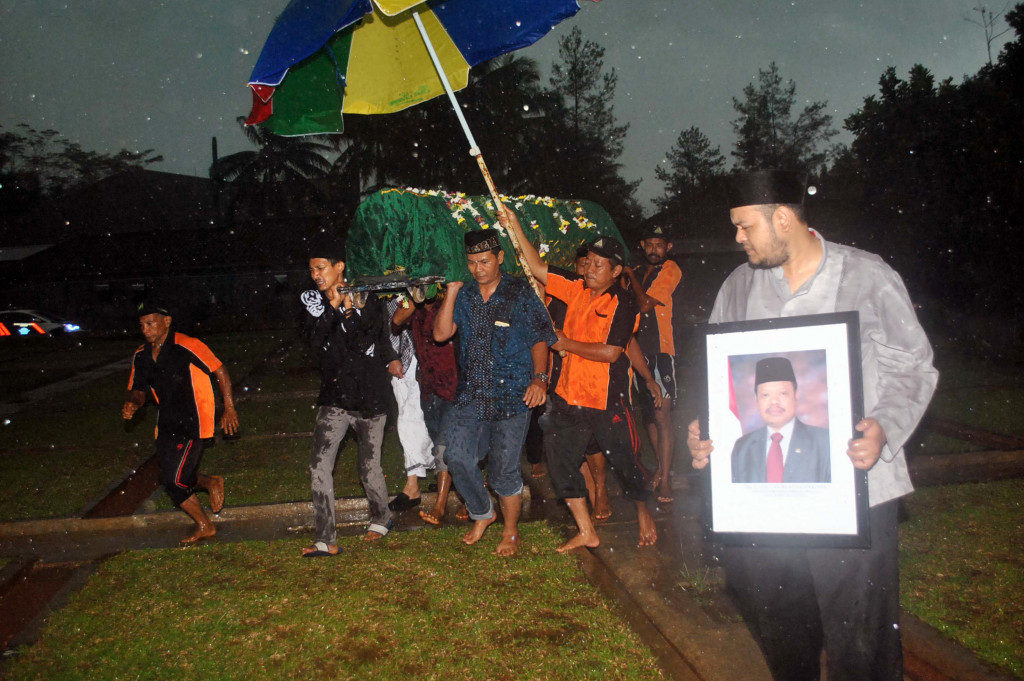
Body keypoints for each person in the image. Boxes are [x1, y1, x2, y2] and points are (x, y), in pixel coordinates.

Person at [686, 169, 938, 681]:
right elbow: (722, 375)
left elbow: (912, 364)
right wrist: (706, 431)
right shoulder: (738, 287)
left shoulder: (867, 275)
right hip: (766, 503)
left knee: (861, 640)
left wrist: (885, 427)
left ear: (782, 219)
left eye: (744, 227)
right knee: (782, 630)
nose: (737, 239)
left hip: (856, 491)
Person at [501, 210, 658, 553]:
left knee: (627, 461)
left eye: (599, 265)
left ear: (616, 271)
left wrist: (566, 343)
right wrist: (514, 224)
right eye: (588, 262)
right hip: (569, 396)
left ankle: (644, 510)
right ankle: (586, 529)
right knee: (559, 460)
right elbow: (538, 268)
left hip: (605, 400)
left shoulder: (624, 301)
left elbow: (614, 353)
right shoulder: (575, 287)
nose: (589, 269)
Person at [433, 229, 556, 557]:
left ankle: (511, 529)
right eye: (471, 263)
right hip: (471, 393)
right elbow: (442, 334)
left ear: (500, 258)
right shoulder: (466, 293)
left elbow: (540, 338)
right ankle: (482, 512)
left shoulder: (520, 292)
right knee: (456, 456)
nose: (478, 268)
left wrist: (540, 379)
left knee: (504, 470)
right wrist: (452, 291)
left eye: (484, 261)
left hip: (514, 394)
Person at [300, 237, 401, 557]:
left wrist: (349, 311)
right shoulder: (312, 301)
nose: (316, 274)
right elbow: (315, 341)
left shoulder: (366, 296)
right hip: (334, 398)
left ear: (339, 266)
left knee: (368, 467)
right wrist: (332, 306)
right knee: (319, 467)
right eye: (312, 269)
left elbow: (366, 339)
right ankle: (325, 538)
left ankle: (382, 517)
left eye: (321, 268)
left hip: (369, 398)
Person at [122, 300, 238, 545]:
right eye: (141, 324)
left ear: (166, 321)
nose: (145, 328)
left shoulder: (187, 344)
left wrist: (229, 408)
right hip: (166, 422)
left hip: (194, 419)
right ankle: (207, 501)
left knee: (176, 479)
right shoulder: (141, 355)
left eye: (150, 322)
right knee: (171, 478)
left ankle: (205, 512)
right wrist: (133, 402)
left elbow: (220, 370)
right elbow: (138, 389)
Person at [624, 223, 682, 503]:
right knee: (649, 415)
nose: (653, 250)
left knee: (663, 415)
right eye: (648, 244)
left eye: (659, 244)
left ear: (668, 247)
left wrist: (629, 279)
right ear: (641, 246)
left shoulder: (670, 269)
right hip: (637, 353)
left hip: (661, 352)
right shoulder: (636, 272)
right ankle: (660, 468)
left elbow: (646, 304)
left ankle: (667, 478)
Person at [391, 291, 459, 525]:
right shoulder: (416, 308)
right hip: (429, 389)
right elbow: (397, 321)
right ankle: (467, 495)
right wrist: (414, 296)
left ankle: (440, 506)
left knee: (444, 447)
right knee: (442, 445)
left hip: (454, 387)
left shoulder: (452, 303)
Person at [730, 356, 830, 483]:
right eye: (765, 395)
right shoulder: (742, 447)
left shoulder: (824, 442)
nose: (774, 402)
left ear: (796, 394)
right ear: (756, 398)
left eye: (782, 393)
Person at [383, 295, 435, 512]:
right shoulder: (379, 281)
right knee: (411, 418)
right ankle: (440, 472)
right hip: (400, 357)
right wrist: (390, 355)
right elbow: (382, 321)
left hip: (426, 354)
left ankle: (413, 484)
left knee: (410, 420)